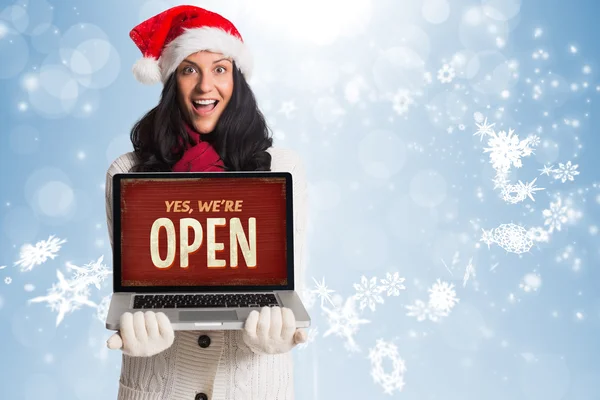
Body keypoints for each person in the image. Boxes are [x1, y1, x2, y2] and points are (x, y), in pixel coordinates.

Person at [103, 5, 309, 400]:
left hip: (255, 388)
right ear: (171, 81)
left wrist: (283, 336)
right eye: (188, 69)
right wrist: (133, 326)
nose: (204, 87)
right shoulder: (127, 171)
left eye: (219, 69)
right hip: (157, 389)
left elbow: (290, 280)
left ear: (237, 79)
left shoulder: (283, 168)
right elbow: (135, 279)